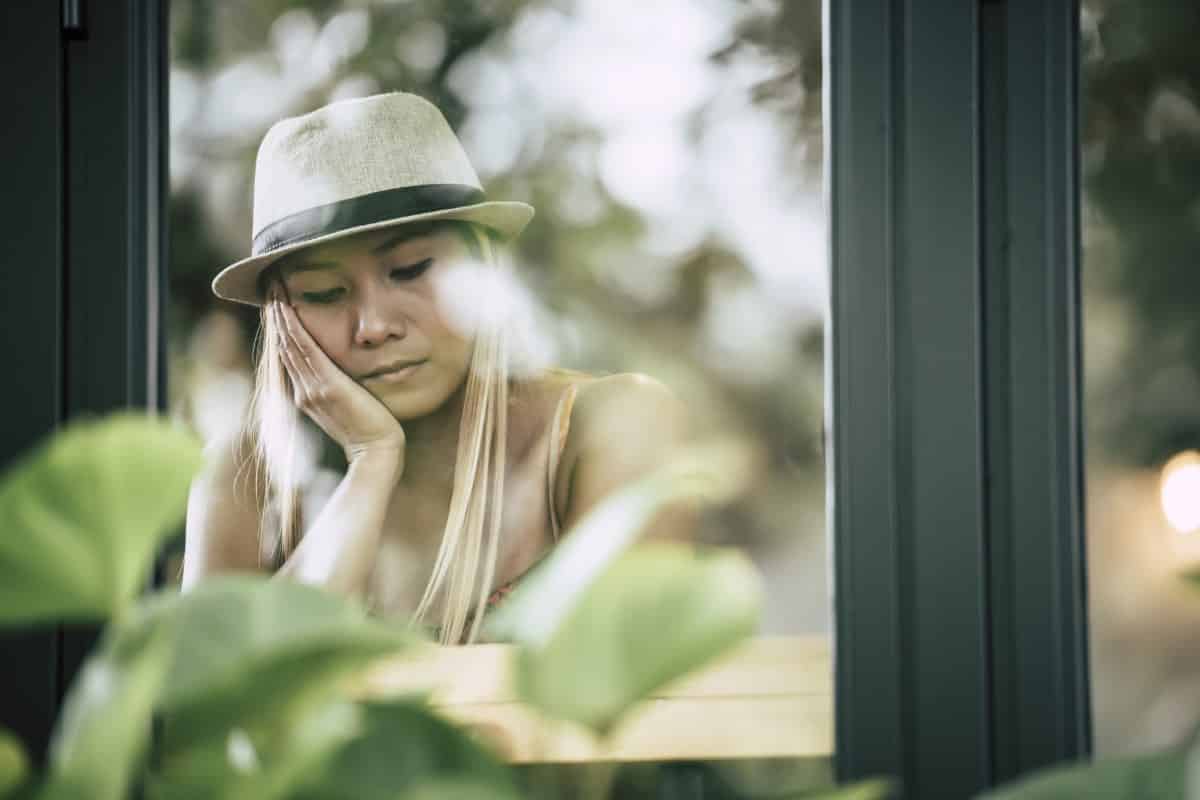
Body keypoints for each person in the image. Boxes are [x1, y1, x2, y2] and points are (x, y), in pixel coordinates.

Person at [181, 91, 692, 644]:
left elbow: (618, 694)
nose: (373, 325)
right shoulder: (242, 478)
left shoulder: (613, 426)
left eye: (409, 269)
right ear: (281, 319)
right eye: (325, 292)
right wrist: (370, 464)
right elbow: (208, 714)